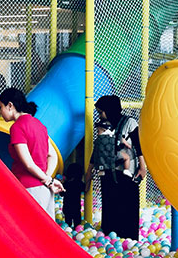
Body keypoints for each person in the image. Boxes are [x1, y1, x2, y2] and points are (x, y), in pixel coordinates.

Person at [84, 95, 147, 240]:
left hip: (126, 173)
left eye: (101, 112)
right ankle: (111, 238)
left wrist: (142, 167)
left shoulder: (128, 122)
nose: (99, 115)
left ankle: (129, 239)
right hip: (107, 172)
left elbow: (138, 145)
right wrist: (89, 172)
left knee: (128, 206)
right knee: (110, 205)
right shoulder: (103, 126)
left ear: (109, 109)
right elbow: (98, 149)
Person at [0, 88, 64, 218]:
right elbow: (52, 155)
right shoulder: (39, 125)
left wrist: (48, 180)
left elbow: (28, 164)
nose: (0, 112)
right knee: (45, 232)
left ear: (10, 105)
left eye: (0, 107)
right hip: (45, 189)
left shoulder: (17, 127)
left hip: (28, 188)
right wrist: (47, 179)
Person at [62, 163, 85, 228]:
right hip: (76, 208)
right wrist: (89, 180)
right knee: (77, 225)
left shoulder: (66, 184)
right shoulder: (79, 183)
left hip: (67, 207)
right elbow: (85, 189)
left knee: (67, 224)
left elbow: (61, 194)